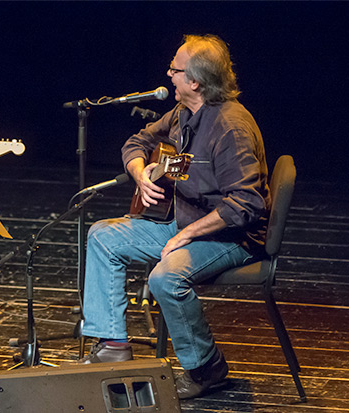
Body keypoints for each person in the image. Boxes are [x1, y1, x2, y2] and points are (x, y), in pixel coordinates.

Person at [79, 34, 270, 400]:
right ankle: (114, 344)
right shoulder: (184, 113)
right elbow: (138, 142)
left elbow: (246, 204)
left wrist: (186, 235)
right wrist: (139, 174)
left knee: (166, 278)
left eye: (175, 70)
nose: (168, 75)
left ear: (195, 81)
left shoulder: (231, 128)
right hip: (186, 222)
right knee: (104, 234)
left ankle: (205, 368)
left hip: (230, 237)